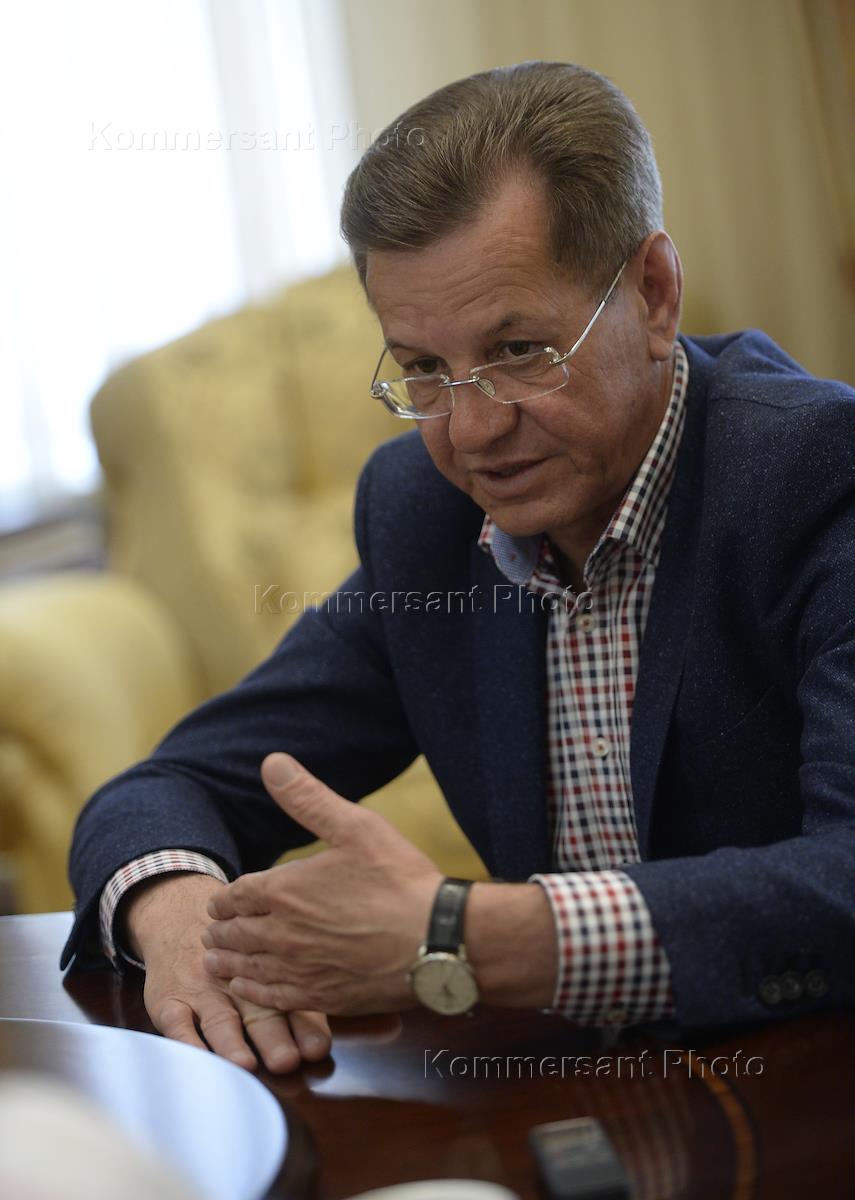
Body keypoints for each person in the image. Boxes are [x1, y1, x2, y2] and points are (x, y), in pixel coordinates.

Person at [63, 61, 855, 1074]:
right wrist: (185, 925)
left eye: (519, 349)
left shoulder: (816, 474)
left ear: (653, 294)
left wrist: (460, 938)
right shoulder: (429, 517)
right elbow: (172, 786)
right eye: (425, 370)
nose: (473, 432)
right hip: (573, 1091)